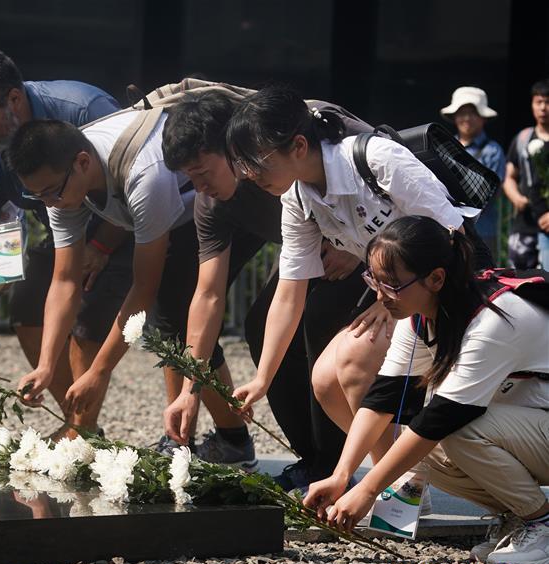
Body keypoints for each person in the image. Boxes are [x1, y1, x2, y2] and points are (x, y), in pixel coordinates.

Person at [225, 86, 486, 482]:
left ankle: (401, 489)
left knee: (352, 362)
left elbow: (452, 233)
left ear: (298, 146)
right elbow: (288, 292)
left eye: (256, 160)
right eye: (243, 163)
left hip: (450, 285)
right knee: (325, 381)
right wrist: (262, 378)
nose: (248, 174)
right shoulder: (297, 199)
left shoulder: (376, 159)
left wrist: (392, 295)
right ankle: (406, 481)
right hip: (402, 295)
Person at [6, 112, 258, 470]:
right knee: (171, 316)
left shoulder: (145, 175)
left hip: (229, 198)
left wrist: (99, 371)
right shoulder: (61, 184)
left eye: (53, 192)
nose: (50, 203)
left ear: (82, 163)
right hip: (178, 215)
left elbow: (144, 287)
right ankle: (222, 440)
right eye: (39, 195)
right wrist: (47, 365)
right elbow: (64, 282)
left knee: (171, 312)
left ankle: (190, 441)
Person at [304, 216, 549, 564]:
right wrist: (343, 475)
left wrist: (369, 491)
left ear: (436, 278)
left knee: (450, 430)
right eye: (374, 280)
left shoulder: (495, 320)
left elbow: (442, 418)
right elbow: (384, 398)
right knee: (420, 449)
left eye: (392, 284)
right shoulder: (420, 315)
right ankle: (520, 516)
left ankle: (541, 523)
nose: (380, 295)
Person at [159, 90, 362, 485]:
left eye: (204, 172)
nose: (200, 187)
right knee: (260, 326)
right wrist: (190, 389)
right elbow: (208, 294)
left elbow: (384, 177)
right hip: (307, 255)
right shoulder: (213, 205)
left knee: (317, 329)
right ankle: (313, 457)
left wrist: (357, 247)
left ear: (232, 146)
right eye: (190, 179)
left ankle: (338, 462)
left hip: (367, 248)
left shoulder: (293, 141)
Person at [0, 49, 131, 437]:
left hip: (123, 224)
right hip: (63, 227)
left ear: (15, 100)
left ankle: (78, 431)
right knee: (25, 304)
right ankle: (81, 424)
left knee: (87, 314)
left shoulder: (84, 108)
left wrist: (102, 246)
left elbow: (133, 180)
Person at [440, 86, 506, 257]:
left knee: (483, 278)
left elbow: (491, 192)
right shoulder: (445, 147)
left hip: (482, 231)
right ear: (454, 117)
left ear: (483, 117)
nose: (467, 118)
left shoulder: (493, 150)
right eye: (462, 113)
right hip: (450, 228)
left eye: (473, 113)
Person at [504, 78, 549, 270]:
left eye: (547, 102)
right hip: (525, 225)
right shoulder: (523, 139)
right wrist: (516, 197)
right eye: (538, 102)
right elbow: (510, 177)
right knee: (520, 280)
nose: (543, 108)